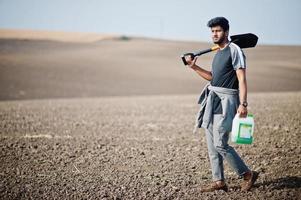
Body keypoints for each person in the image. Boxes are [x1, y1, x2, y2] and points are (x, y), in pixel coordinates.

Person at [186, 17, 259, 192]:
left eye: (218, 31)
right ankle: (219, 181)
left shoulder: (235, 50)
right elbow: (213, 77)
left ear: (226, 32)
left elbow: (241, 79)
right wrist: (194, 67)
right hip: (213, 100)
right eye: (212, 31)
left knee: (220, 143)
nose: (214, 34)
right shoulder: (218, 53)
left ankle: (247, 174)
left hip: (228, 101)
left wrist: (243, 103)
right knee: (212, 145)